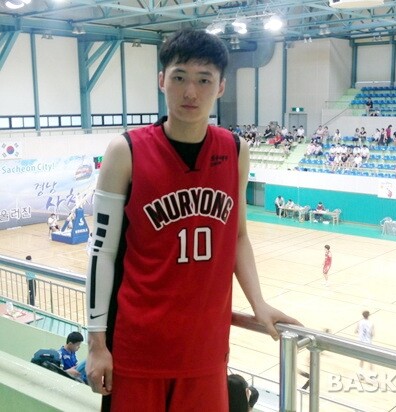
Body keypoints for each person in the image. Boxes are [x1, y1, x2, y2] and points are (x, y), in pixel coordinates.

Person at [84, 29, 299, 412]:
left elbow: (238, 237)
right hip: (136, 348)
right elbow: (102, 251)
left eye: (204, 80)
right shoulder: (125, 151)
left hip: (206, 350)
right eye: (180, 77)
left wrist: (259, 302)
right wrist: (97, 343)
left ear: (220, 87)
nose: (190, 92)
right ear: (161, 80)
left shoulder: (235, 149)